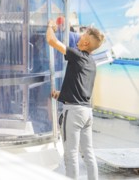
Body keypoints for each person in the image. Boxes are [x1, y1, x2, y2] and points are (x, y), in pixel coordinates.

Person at [46, 19, 104, 180]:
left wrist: (50, 26)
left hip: (74, 113)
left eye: (82, 35)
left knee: (70, 155)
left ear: (85, 43)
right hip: (87, 113)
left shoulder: (77, 55)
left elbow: (52, 40)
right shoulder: (91, 63)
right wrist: (61, 94)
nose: (78, 36)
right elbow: (80, 86)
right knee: (88, 153)